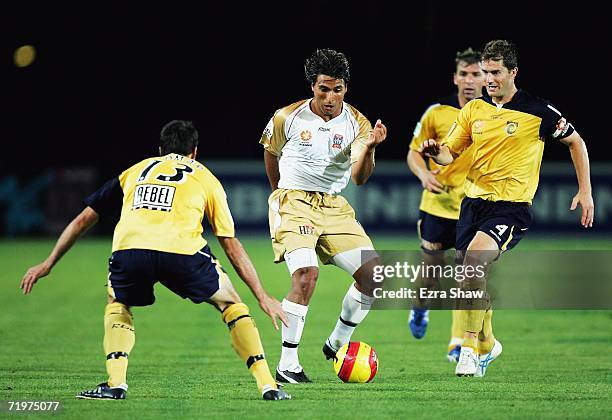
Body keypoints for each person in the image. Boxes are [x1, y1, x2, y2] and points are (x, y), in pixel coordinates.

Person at [20, 120, 291, 400]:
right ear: (194, 151)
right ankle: (268, 385)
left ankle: (116, 383)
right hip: (182, 253)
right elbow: (230, 243)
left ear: (160, 149)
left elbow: (82, 220)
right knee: (231, 305)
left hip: (130, 251)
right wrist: (261, 295)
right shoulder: (206, 177)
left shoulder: (135, 171)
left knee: (118, 303)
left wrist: (48, 262)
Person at [420, 40, 594, 377]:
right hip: (472, 205)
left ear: (513, 72)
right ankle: (488, 344)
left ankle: (468, 349)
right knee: (470, 279)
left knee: (473, 263)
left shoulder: (538, 110)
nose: (489, 79)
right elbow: (449, 153)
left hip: (511, 206)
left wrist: (585, 190)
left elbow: (576, 141)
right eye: (485, 72)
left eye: (496, 72)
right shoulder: (473, 111)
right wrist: (433, 151)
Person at [259, 48, 387, 383]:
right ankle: (288, 364)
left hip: (334, 206)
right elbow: (270, 155)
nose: (331, 97)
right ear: (312, 88)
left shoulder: (357, 123)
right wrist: (280, 193)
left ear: (346, 88)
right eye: (323, 89)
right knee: (305, 274)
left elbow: (359, 177)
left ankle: (338, 341)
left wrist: (370, 149)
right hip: (294, 202)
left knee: (374, 276)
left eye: (338, 90)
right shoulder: (287, 117)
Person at [406, 47, 485, 363]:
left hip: (475, 206)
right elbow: (413, 153)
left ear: (486, 79)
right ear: (455, 78)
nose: (469, 80)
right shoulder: (436, 113)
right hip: (438, 205)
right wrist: (424, 174)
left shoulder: (493, 115)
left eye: (476, 74)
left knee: (468, 274)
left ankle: (458, 343)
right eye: (464, 74)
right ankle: (420, 308)